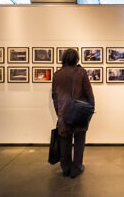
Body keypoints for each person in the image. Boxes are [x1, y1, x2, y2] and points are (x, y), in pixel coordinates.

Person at [52, 48, 95, 178]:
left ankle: (65, 168)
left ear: (63, 58)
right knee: (79, 141)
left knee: (64, 141)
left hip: (64, 114)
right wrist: (90, 111)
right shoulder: (81, 72)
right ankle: (76, 168)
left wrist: (59, 113)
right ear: (76, 58)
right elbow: (89, 94)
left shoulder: (57, 74)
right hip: (79, 113)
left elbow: (54, 97)